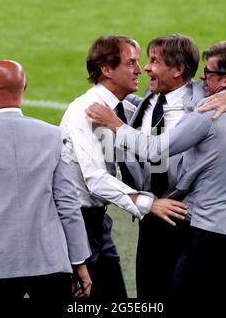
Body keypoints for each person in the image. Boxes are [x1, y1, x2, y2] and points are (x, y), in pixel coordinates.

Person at [96, 34, 226, 299]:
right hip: (152, 211)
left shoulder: (206, 102)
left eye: (154, 61)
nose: (145, 68)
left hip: (188, 217)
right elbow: (146, 117)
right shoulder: (153, 93)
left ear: (178, 69)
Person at [0, 60, 91, 299]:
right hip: (50, 263)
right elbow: (68, 205)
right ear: (25, 87)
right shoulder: (53, 136)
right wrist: (80, 262)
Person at [60, 35, 187, 299]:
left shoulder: (124, 110)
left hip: (97, 224)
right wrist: (150, 204)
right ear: (106, 69)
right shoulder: (84, 112)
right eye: (131, 63)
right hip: (74, 225)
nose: (140, 70)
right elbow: (95, 179)